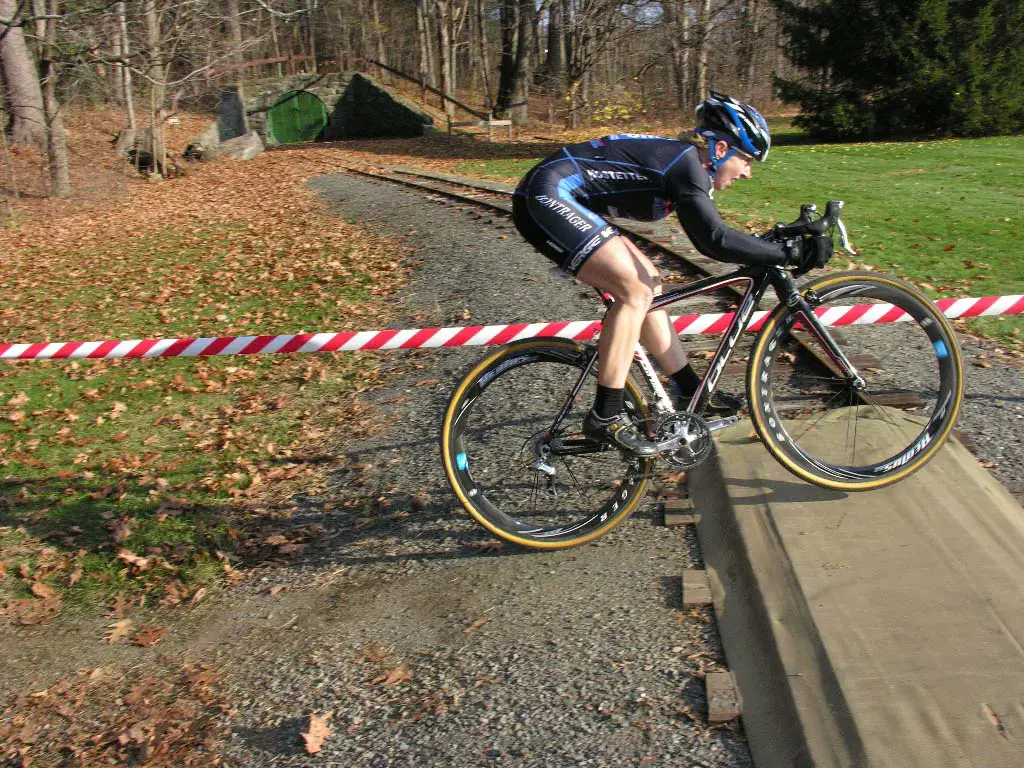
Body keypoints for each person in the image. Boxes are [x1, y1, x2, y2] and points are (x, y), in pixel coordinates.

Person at [512, 91, 828, 456]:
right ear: (722, 149)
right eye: (746, 159)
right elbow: (713, 241)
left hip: (559, 196)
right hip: (546, 196)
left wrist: (773, 243)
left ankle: (691, 391)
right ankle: (605, 415)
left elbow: (716, 234)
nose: (747, 172)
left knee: (649, 283)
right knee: (633, 292)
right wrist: (787, 252)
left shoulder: (687, 164)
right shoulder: (687, 165)